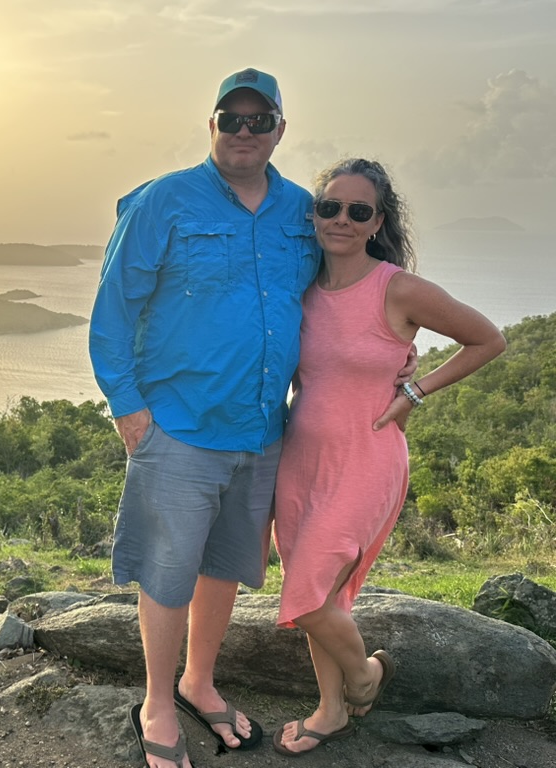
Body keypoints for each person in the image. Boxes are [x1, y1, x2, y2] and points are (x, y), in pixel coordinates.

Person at [89, 68, 415, 768]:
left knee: (223, 568)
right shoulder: (164, 201)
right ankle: (157, 702)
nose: (244, 130)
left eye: (258, 119)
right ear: (212, 124)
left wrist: (396, 360)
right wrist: (129, 410)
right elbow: (112, 309)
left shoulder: (303, 211)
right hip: (178, 425)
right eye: (231, 118)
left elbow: (339, 294)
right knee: (168, 572)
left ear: (279, 129)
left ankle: (199, 682)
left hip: (265, 432)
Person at [270, 158, 506, 757]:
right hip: (301, 460)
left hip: (367, 457)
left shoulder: (396, 288)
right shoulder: (299, 288)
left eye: (358, 211)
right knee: (324, 596)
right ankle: (331, 711)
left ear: (377, 222)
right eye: (330, 207)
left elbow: (488, 339)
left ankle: (366, 677)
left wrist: (415, 391)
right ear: (314, 214)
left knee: (309, 592)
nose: (341, 220)